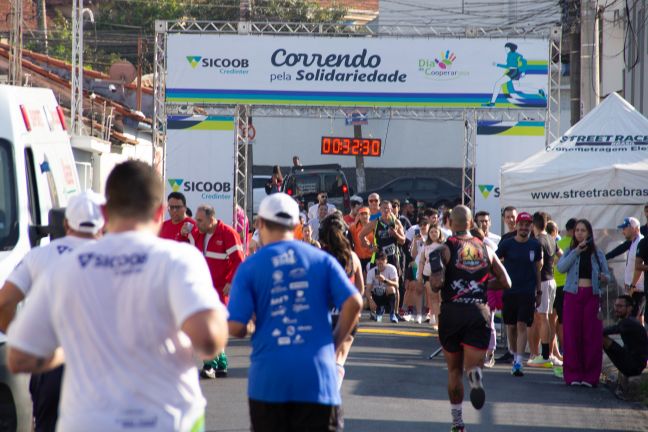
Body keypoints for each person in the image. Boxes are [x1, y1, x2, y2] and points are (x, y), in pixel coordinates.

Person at [6, 160, 228, 431]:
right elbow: (207, 340)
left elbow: (19, 356)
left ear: (105, 212)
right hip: (165, 419)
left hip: (89, 422)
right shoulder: (179, 260)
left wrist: (67, 352)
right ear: (160, 212)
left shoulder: (65, 266)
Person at [227, 193, 362, 432]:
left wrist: (252, 325)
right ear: (297, 225)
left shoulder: (250, 266)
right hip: (318, 379)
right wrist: (334, 341)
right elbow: (354, 301)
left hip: (269, 381)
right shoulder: (321, 260)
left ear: (259, 223)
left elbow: (236, 327)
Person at [0, 191, 104, 432]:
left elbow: (4, 303)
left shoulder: (39, 256)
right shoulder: (120, 259)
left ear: (66, 223)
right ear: (104, 223)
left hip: (51, 364)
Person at [429, 205, 510, 432]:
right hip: (478, 311)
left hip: (452, 312)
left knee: (454, 371)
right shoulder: (486, 248)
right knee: (473, 364)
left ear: (450, 224)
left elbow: (435, 284)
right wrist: (480, 285)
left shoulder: (444, 250)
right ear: (470, 223)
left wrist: (445, 278)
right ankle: (475, 374)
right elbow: (507, 282)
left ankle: (458, 423)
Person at [190, 204, 245, 379]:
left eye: (200, 220)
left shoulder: (228, 234)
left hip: (221, 290)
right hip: (203, 288)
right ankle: (221, 363)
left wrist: (231, 281)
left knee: (211, 327)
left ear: (211, 219)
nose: (196, 223)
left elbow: (239, 261)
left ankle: (209, 364)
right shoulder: (199, 233)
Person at [557, 219, 610, 387]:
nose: (579, 233)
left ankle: (590, 376)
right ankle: (573, 375)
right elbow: (561, 267)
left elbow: (607, 276)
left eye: (583, 230)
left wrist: (604, 278)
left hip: (592, 295)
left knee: (591, 336)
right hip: (572, 295)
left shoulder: (597, 253)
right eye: (577, 230)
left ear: (589, 233)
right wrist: (576, 252)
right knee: (572, 335)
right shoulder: (570, 250)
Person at [318, 213, 364, 388]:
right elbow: (360, 289)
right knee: (339, 360)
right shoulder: (353, 257)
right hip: (347, 313)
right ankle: (331, 397)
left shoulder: (318, 257)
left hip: (322, 314)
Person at [496, 212, 542, 377]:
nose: (524, 227)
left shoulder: (535, 245)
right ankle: (514, 353)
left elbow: (538, 269)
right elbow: (494, 261)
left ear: (531, 226)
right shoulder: (507, 244)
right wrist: (498, 279)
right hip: (509, 291)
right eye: (521, 224)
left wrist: (539, 291)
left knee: (522, 325)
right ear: (516, 226)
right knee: (511, 326)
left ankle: (518, 361)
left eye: (527, 224)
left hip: (527, 292)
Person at [526, 212, 561, 369]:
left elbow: (537, 264)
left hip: (543, 282)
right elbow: (561, 255)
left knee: (543, 317)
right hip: (550, 280)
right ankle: (541, 354)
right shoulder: (551, 239)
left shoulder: (538, 240)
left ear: (533, 224)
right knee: (541, 317)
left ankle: (545, 355)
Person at [359, 200, 406, 309]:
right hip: (378, 257)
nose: (386, 211)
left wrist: (395, 234)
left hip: (393, 257)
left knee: (395, 284)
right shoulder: (375, 222)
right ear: (380, 210)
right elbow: (361, 235)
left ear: (391, 210)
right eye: (383, 208)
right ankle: (375, 306)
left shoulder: (396, 222)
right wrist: (370, 246)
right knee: (375, 282)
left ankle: (395, 312)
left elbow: (403, 241)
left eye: (388, 208)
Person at [603, 295, 648, 380]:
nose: (616, 309)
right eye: (616, 305)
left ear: (629, 308)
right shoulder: (630, 321)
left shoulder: (628, 323)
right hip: (635, 363)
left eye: (620, 306)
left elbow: (607, 331)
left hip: (633, 367)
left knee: (601, 338)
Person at [615, 217, 645, 325]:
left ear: (634, 228)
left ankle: (639, 341)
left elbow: (639, 266)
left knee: (634, 318)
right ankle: (641, 341)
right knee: (637, 317)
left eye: (625, 228)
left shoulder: (640, 242)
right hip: (633, 287)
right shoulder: (634, 242)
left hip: (638, 289)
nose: (623, 231)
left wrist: (632, 285)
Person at [417, 224, 445, 329]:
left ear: (439, 233)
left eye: (435, 232)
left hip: (441, 275)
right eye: (431, 232)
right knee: (433, 299)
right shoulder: (426, 245)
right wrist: (419, 275)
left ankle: (443, 321)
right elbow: (421, 261)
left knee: (441, 299)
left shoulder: (444, 245)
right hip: (428, 274)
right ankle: (437, 322)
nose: (433, 234)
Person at [407, 216, 430, 323]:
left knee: (429, 290)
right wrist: (415, 242)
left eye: (425, 225)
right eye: (420, 225)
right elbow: (413, 254)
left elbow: (430, 250)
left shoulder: (431, 237)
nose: (422, 227)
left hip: (429, 266)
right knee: (418, 289)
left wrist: (424, 240)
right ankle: (419, 314)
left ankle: (429, 312)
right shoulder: (416, 238)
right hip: (418, 265)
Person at [366, 251, 400, 323]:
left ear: (386, 261)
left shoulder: (391, 268)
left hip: (386, 295)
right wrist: (371, 300)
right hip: (376, 296)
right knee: (364, 301)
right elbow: (368, 290)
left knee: (392, 289)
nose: (380, 262)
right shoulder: (371, 272)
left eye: (382, 259)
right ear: (375, 261)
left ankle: (393, 314)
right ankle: (374, 313)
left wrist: (385, 280)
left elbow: (397, 285)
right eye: (378, 260)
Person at [348, 206, 373, 279]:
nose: (364, 216)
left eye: (366, 214)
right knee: (360, 277)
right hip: (359, 257)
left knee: (371, 277)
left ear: (369, 215)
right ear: (359, 216)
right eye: (362, 214)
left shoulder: (374, 226)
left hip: (372, 257)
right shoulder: (353, 228)